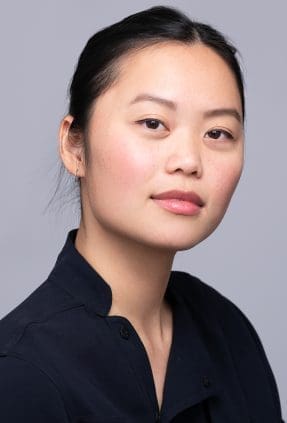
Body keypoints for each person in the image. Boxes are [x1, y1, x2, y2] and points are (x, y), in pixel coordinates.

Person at [0, 5, 284, 423]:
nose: (189, 160)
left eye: (218, 133)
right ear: (74, 146)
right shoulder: (21, 371)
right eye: (153, 123)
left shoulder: (226, 330)